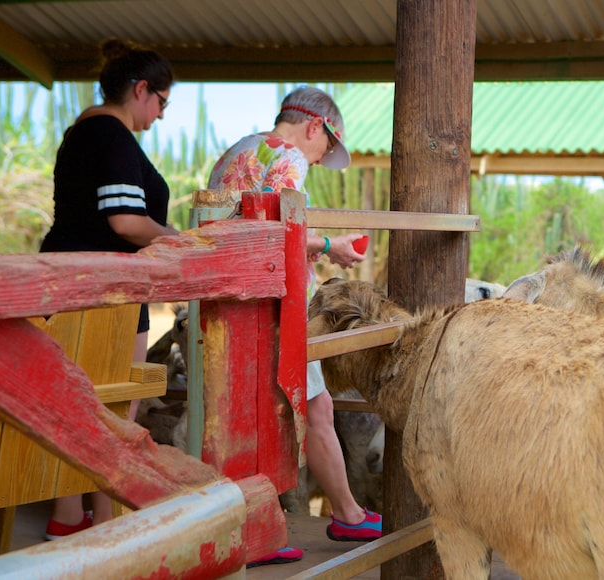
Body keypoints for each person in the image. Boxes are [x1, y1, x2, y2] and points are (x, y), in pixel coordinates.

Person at [207, 86, 379, 567]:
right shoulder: (289, 157)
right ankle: (347, 515)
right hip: (276, 309)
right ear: (314, 126)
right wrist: (330, 247)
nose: (321, 159)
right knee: (317, 409)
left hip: (229, 308)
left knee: (242, 419)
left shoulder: (235, 152)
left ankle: (245, 530)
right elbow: (282, 234)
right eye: (327, 147)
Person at [39, 38, 178, 540]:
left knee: (77, 403)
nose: (159, 116)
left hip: (69, 278)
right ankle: (108, 526)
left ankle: (71, 516)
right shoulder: (112, 136)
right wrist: (181, 241)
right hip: (106, 288)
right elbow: (125, 221)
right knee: (116, 409)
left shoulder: (83, 132)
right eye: (161, 102)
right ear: (141, 90)